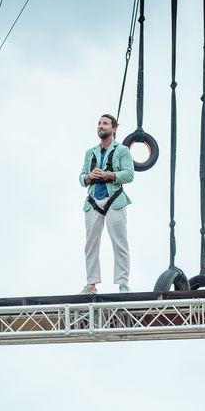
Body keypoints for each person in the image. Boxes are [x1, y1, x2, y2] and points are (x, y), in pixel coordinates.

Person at [79, 113, 134, 294]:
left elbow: (129, 174)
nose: (101, 126)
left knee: (119, 242)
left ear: (114, 128)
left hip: (114, 201)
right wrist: (89, 177)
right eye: (99, 123)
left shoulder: (122, 150)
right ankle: (91, 284)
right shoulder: (90, 153)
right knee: (91, 244)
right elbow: (81, 177)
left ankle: (123, 283)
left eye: (105, 123)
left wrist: (108, 175)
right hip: (93, 201)